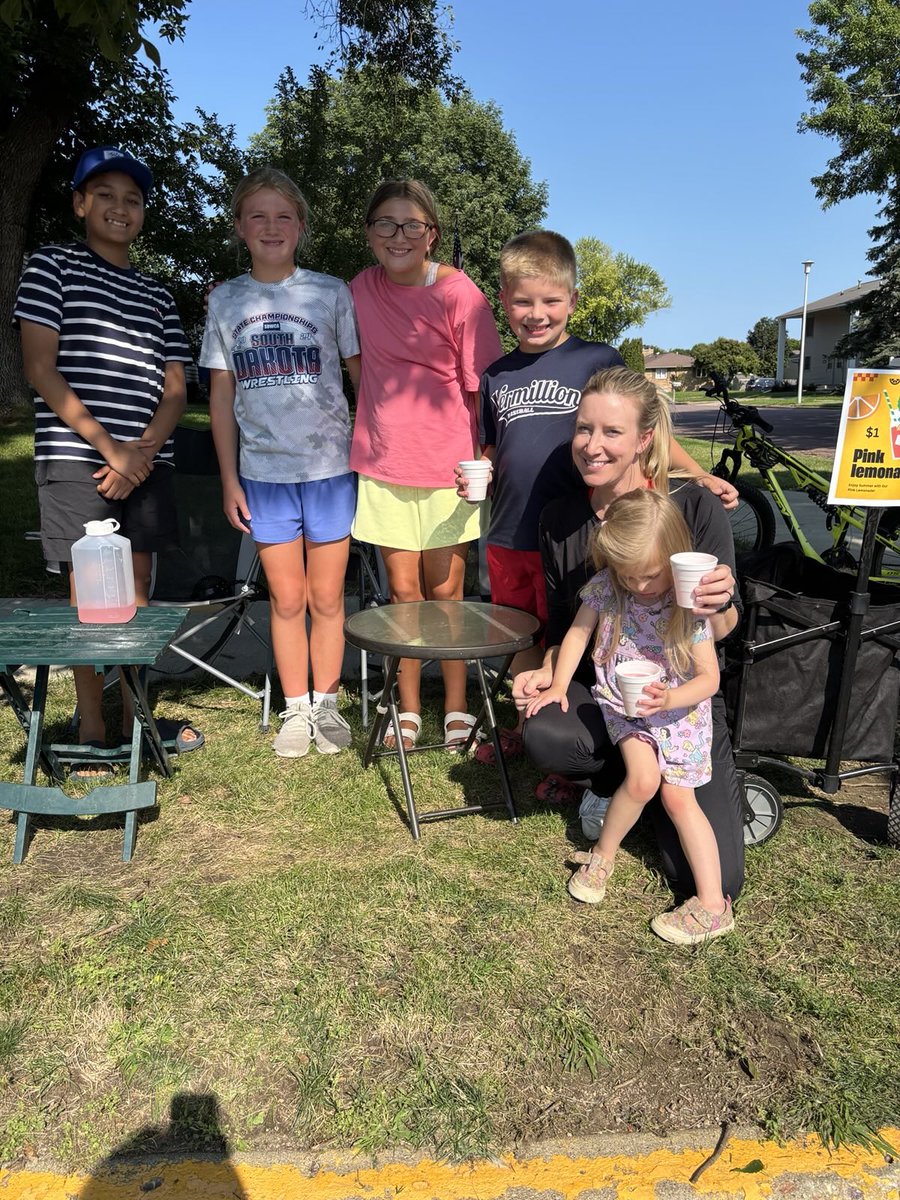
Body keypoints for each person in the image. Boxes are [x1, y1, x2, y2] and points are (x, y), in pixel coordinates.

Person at [465, 230, 738, 769]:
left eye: (550, 301)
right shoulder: (495, 375)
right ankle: (530, 720)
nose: (536, 313)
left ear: (572, 300)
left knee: (583, 621)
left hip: (580, 529)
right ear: (503, 300)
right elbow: (493, 447)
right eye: (522, 301)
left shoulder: (595, 358)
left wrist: (696, 474)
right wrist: (478, 472)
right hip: (513, 528)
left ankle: (603, 732)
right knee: (526, 632)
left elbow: (646, 427)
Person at [515, 365, 746, 905]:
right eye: (583, 428)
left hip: (681, 702)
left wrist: (715, 604)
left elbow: (728, 629)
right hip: (611, 695)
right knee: (547, 732)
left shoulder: (692, 506)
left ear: (645, 439)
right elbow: (563, 624)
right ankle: (616, 784)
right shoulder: (560, 518)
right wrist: (547, 673)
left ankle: (649, 790)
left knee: (713, 880)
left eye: (612, 432)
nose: (592, 446)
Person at [14, 145, 200, 777]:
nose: (121, 208)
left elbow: (176, 388)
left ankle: (135, 719)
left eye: (133, 198)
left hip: (145, 463)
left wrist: (140, 453)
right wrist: (110, 447)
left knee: (138, 593)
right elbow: (41, 368)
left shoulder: (157, 292)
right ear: (80, 203)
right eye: (106, 195)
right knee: (88, 596)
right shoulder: (50, 267)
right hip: (77, 458)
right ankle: (92, 724)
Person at [525, 489, 733, 944]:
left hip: (679, 714)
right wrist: (558, 684)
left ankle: (714, 907)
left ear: (674, 558)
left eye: (649, 575)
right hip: (627, 708)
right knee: (640, 780)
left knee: (680, 800)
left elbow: (709, 679)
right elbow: (578, 634)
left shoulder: (687, 604)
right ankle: (602, 856)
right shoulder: (607, 587)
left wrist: (671, 699)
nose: (639, 586)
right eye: (628, 574)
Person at [201, 167, 361, 757]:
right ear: (241, 227)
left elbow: (360, 379)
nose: (272, 226)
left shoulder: (331, 292)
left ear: (301, 226)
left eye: (283, 216)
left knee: (327, 599)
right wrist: (228, 478)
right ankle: (295, 710)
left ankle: (328, 703)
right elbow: (219, 396)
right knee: (286, 600)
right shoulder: (225, 300)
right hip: (263, 476)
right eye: (258, 216)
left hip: (329, 470)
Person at [349, 179, 503, 751]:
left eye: (413, 225)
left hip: (450, 470)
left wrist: (484, 459)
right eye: (385, 223)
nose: (399, 236)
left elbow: (485, 390)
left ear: (431, 233)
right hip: (385, 464)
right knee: (402, 594)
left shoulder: (461, 294)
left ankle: (459, 705)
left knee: (448, 591)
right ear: (369, 234)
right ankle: (408, 708)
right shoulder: (358, 289)